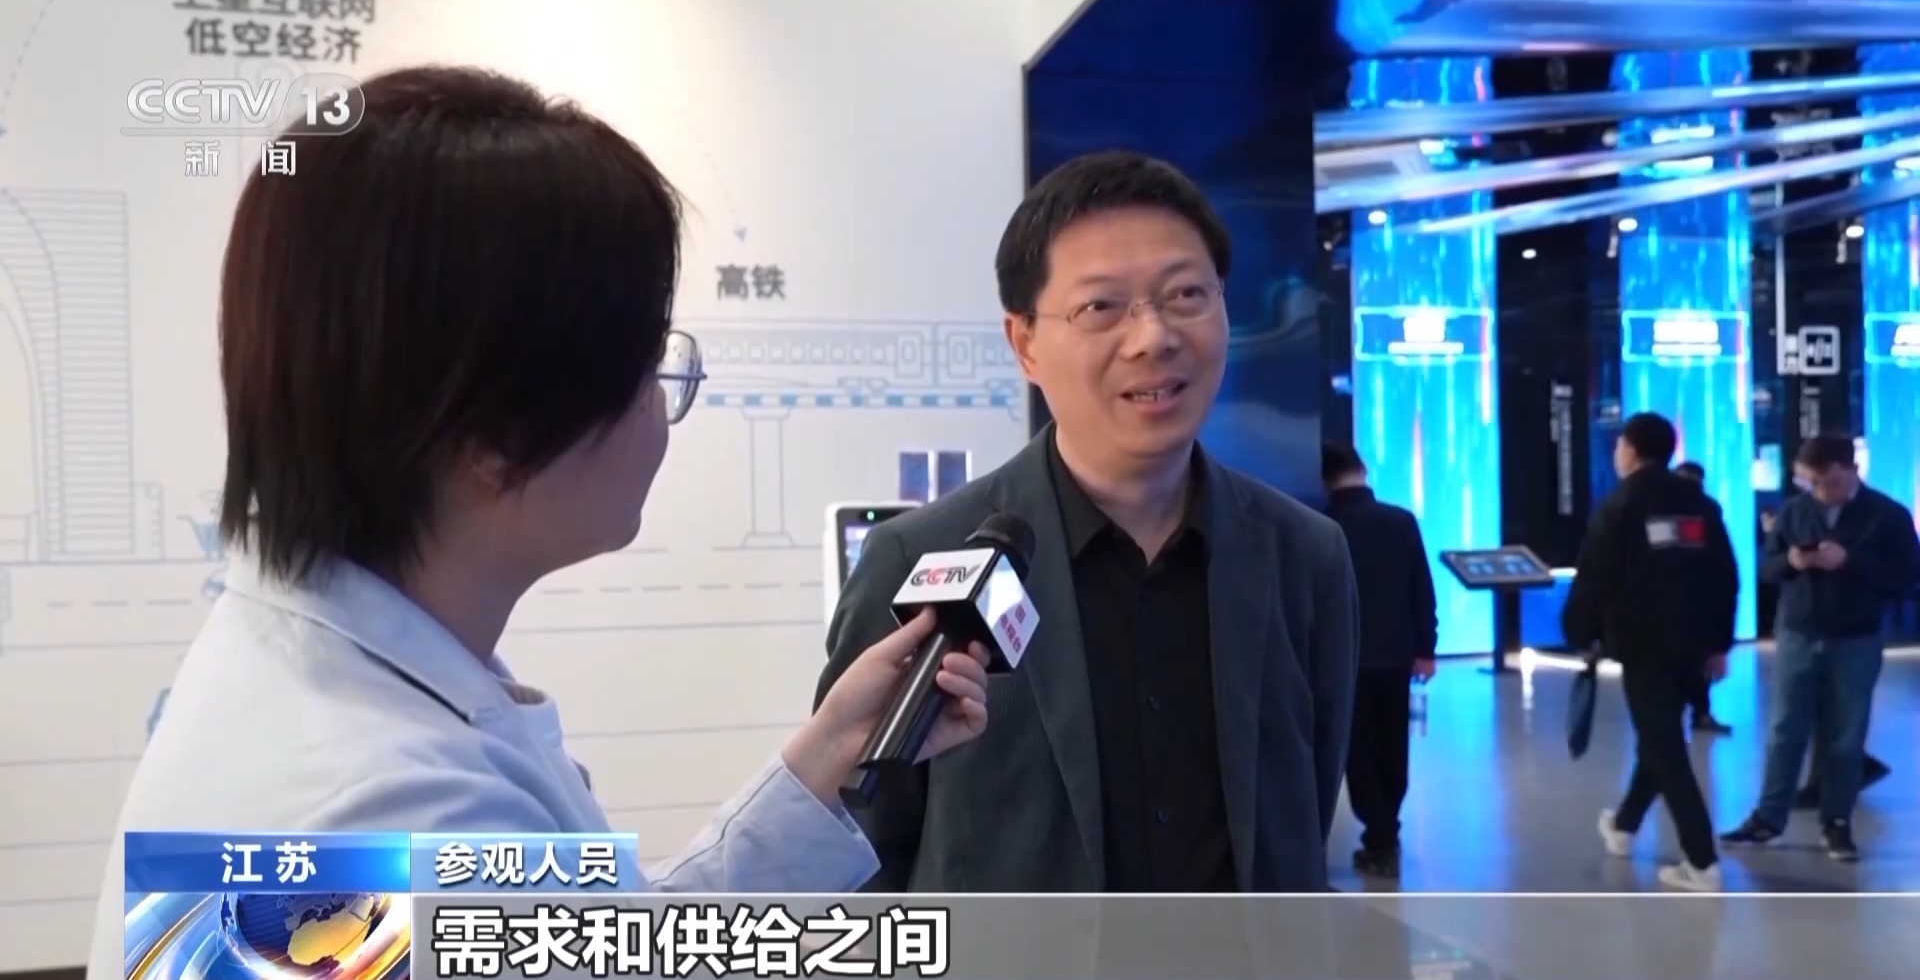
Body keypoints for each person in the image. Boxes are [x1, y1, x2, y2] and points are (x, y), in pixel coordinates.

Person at [87, 66, 996, 977]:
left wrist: (829, 755)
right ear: (496, 435)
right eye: (645, 361)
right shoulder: (404, 811)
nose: (663, 402)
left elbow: (599, 942)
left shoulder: (314, 668)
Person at [817, 151, 1360, 893]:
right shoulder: (918, 557)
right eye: (1101, 307)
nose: (1153, 337)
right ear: (1025, 343)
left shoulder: (1305, 555)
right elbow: (858, 851)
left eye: (1187, 294)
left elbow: (1305, 814)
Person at [1722, 435, 1920, 861]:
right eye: (1811, 482)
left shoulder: (1887, 515)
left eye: (1829, 482)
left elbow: (1907, 578)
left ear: (1852, 471)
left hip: (1856, 637)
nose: (1820, 491)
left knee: (1846, 735)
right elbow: (1768, 567)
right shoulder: (1796, 511)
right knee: (1784, 730)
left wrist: (1849, 561)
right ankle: (1768, 817)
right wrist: (1791, 562)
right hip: (1798, 632)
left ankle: (1837, 821)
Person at [1565, 413, 1738, 892]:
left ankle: (1701, 861)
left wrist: (1580, 633)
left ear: (1632, 450)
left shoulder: (1620, 504)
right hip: (1693, 642)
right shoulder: (1700, 504)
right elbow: (1725, 577)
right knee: (1660, 736)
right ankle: (1624, 825)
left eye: (1620, 444)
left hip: (1644, 644)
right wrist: (1720, 643)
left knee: (1664, 746)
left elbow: (1595, 577)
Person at [1320, 442, 1435, 879]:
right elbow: (1421, 588)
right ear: (1363, 469)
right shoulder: (1400, 520)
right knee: (1393, 743)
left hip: (1343, 658)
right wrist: (1426, 649)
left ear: (1324, 478)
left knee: (1358, 749)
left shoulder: (1320, 525)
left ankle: (1381, 836)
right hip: (1396, 655)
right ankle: (1387, 829)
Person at [1671, 461, 1734, 735]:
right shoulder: (1705, 509)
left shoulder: (1707, 511)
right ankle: (1694, 713)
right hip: (1687, 601)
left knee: (1698, 663)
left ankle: (1699, 712)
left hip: (1694, 601)